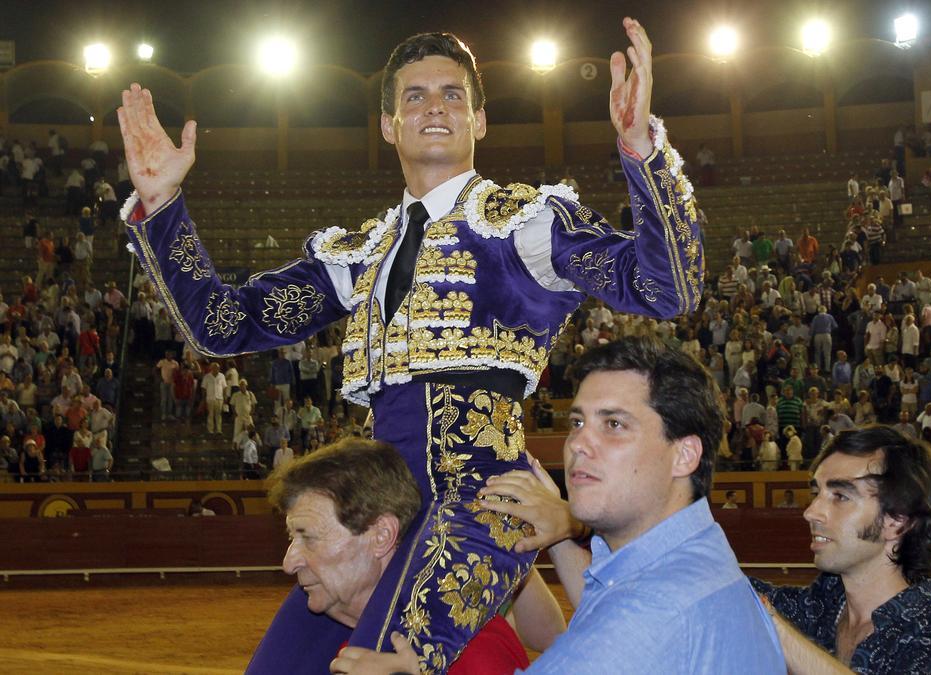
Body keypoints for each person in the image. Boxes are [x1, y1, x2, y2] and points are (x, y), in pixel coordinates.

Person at [118, 20, 702, 672]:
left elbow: (664, 286)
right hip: (375, 511)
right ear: (389, 125)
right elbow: (222, 324)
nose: (435, 108)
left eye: (453, 95)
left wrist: (640, 151)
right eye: (415, 96)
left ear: (479, 120)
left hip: (481, 506)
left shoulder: (525, 224)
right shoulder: (361, 253)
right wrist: (163, 201)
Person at [461, 337, 786, 673]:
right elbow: (607, 611)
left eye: (613, 424)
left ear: (684, 454)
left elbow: (628, 628)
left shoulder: (651, 610)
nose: (578, 443)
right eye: (577, 423)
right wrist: (558, 534)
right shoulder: (701, 563)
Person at [273, 439, 564, 675]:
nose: (290, 562)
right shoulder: (353, 645)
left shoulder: (467, 647)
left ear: (382, 535)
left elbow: (550, 635)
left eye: (308, 536)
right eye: (291, 538)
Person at [746, 427, 931, 672]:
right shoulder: (808, 611)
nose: (811, 512)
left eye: (840, 496)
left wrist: (778, 632)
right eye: (816, 492)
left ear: (897, 521)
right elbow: (722, 582)